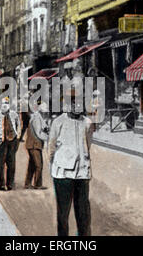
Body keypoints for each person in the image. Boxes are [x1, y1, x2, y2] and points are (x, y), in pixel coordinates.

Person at [49, 87, 94, 236]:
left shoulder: (87, 123)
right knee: (63, 213)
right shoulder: (58, 122)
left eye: (80, 103)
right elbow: (51, 146)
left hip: (82, 173)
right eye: (74, 103)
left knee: (83, 213)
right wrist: (55, 163)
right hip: (63, 174)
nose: (77, 107)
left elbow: (88, 143)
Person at [0, 97, 21, 191]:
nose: (5, 106)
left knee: (11, 164)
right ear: (0, 105)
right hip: (0, 142)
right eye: (3, 104)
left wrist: (17, 136)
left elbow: (18, 125)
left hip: (11, 141)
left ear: (9, 105)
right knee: (0, 164)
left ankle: (10, 183)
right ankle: (1, 184)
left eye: (6, 104)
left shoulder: (14, 114)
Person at [24, 102, 49, 190]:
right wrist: (47, 137)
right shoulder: (36, 119)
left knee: (32, 165)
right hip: (34, 144)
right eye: (44, 112)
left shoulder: (38, 117)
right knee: (39, 165)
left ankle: (27, 183)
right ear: (41, 111)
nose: (45, 113)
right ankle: (38, 184)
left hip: (34, 144)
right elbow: (38, 133)